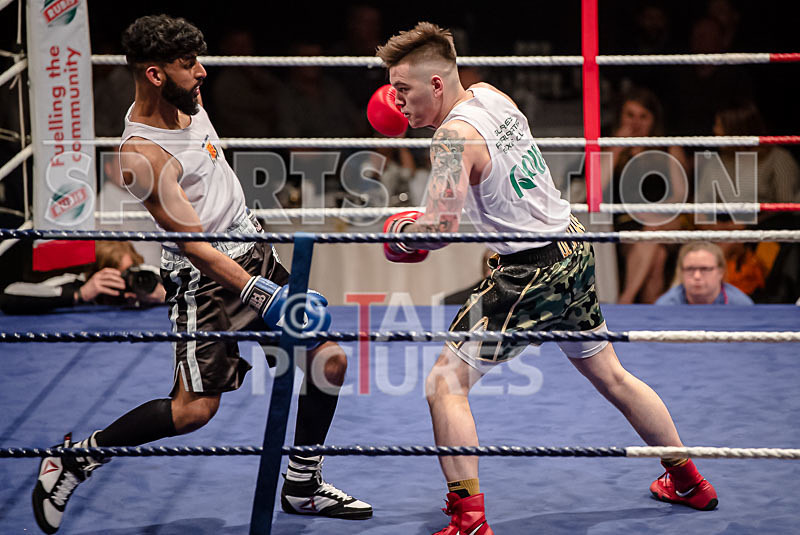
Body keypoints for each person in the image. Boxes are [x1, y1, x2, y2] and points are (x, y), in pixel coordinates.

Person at [372, 22, 718, 535]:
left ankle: (468, 519)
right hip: (573, 245)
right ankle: (688, 480)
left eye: (403, 89)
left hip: (530, 271)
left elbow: (441, 230)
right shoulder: (491, 95)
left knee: (444, 384)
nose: (396, 102)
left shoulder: (450, 138)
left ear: (437, 85)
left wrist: (402, 233)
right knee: (612, 376)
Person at [31, 15, 371, 535]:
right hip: (206, 282)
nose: (203, 72)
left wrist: (264, 276)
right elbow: (194, 244)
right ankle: (77, 459)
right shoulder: (141, 156)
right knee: (193, 411)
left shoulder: (188, 101)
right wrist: (263, 293)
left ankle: (302, 485)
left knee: (328, 361)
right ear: (154, 74)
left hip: (253, 251)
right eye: (188, 64)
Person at [606, 88, 690, 304]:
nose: (636, 122)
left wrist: (655, 213)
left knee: (652, 230)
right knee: (657, 258)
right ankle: (652, 320)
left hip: (666, 219)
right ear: (620, 117)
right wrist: (617, 146)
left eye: (643, 116)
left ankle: (624, 301)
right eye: (630, 115)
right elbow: (595, 187)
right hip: (627, 223)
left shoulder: (669, 147)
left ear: (654, 120)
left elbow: (681, 195)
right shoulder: (609, 146)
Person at [1, 241, 164, 314]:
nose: (126, 282)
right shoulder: (78, 284)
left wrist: (160, 294)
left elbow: (186, 290)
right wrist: (80, 295)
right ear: (95, 275)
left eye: (129, 272)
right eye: (116, 277)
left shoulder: (145, 278)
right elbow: (9, 295)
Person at [655, 242, 754, 305]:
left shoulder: (741, 305)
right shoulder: (666, 305)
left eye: (705, 269)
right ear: (681, 272)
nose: (697, 276)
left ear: (720, 272)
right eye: (690, 269)